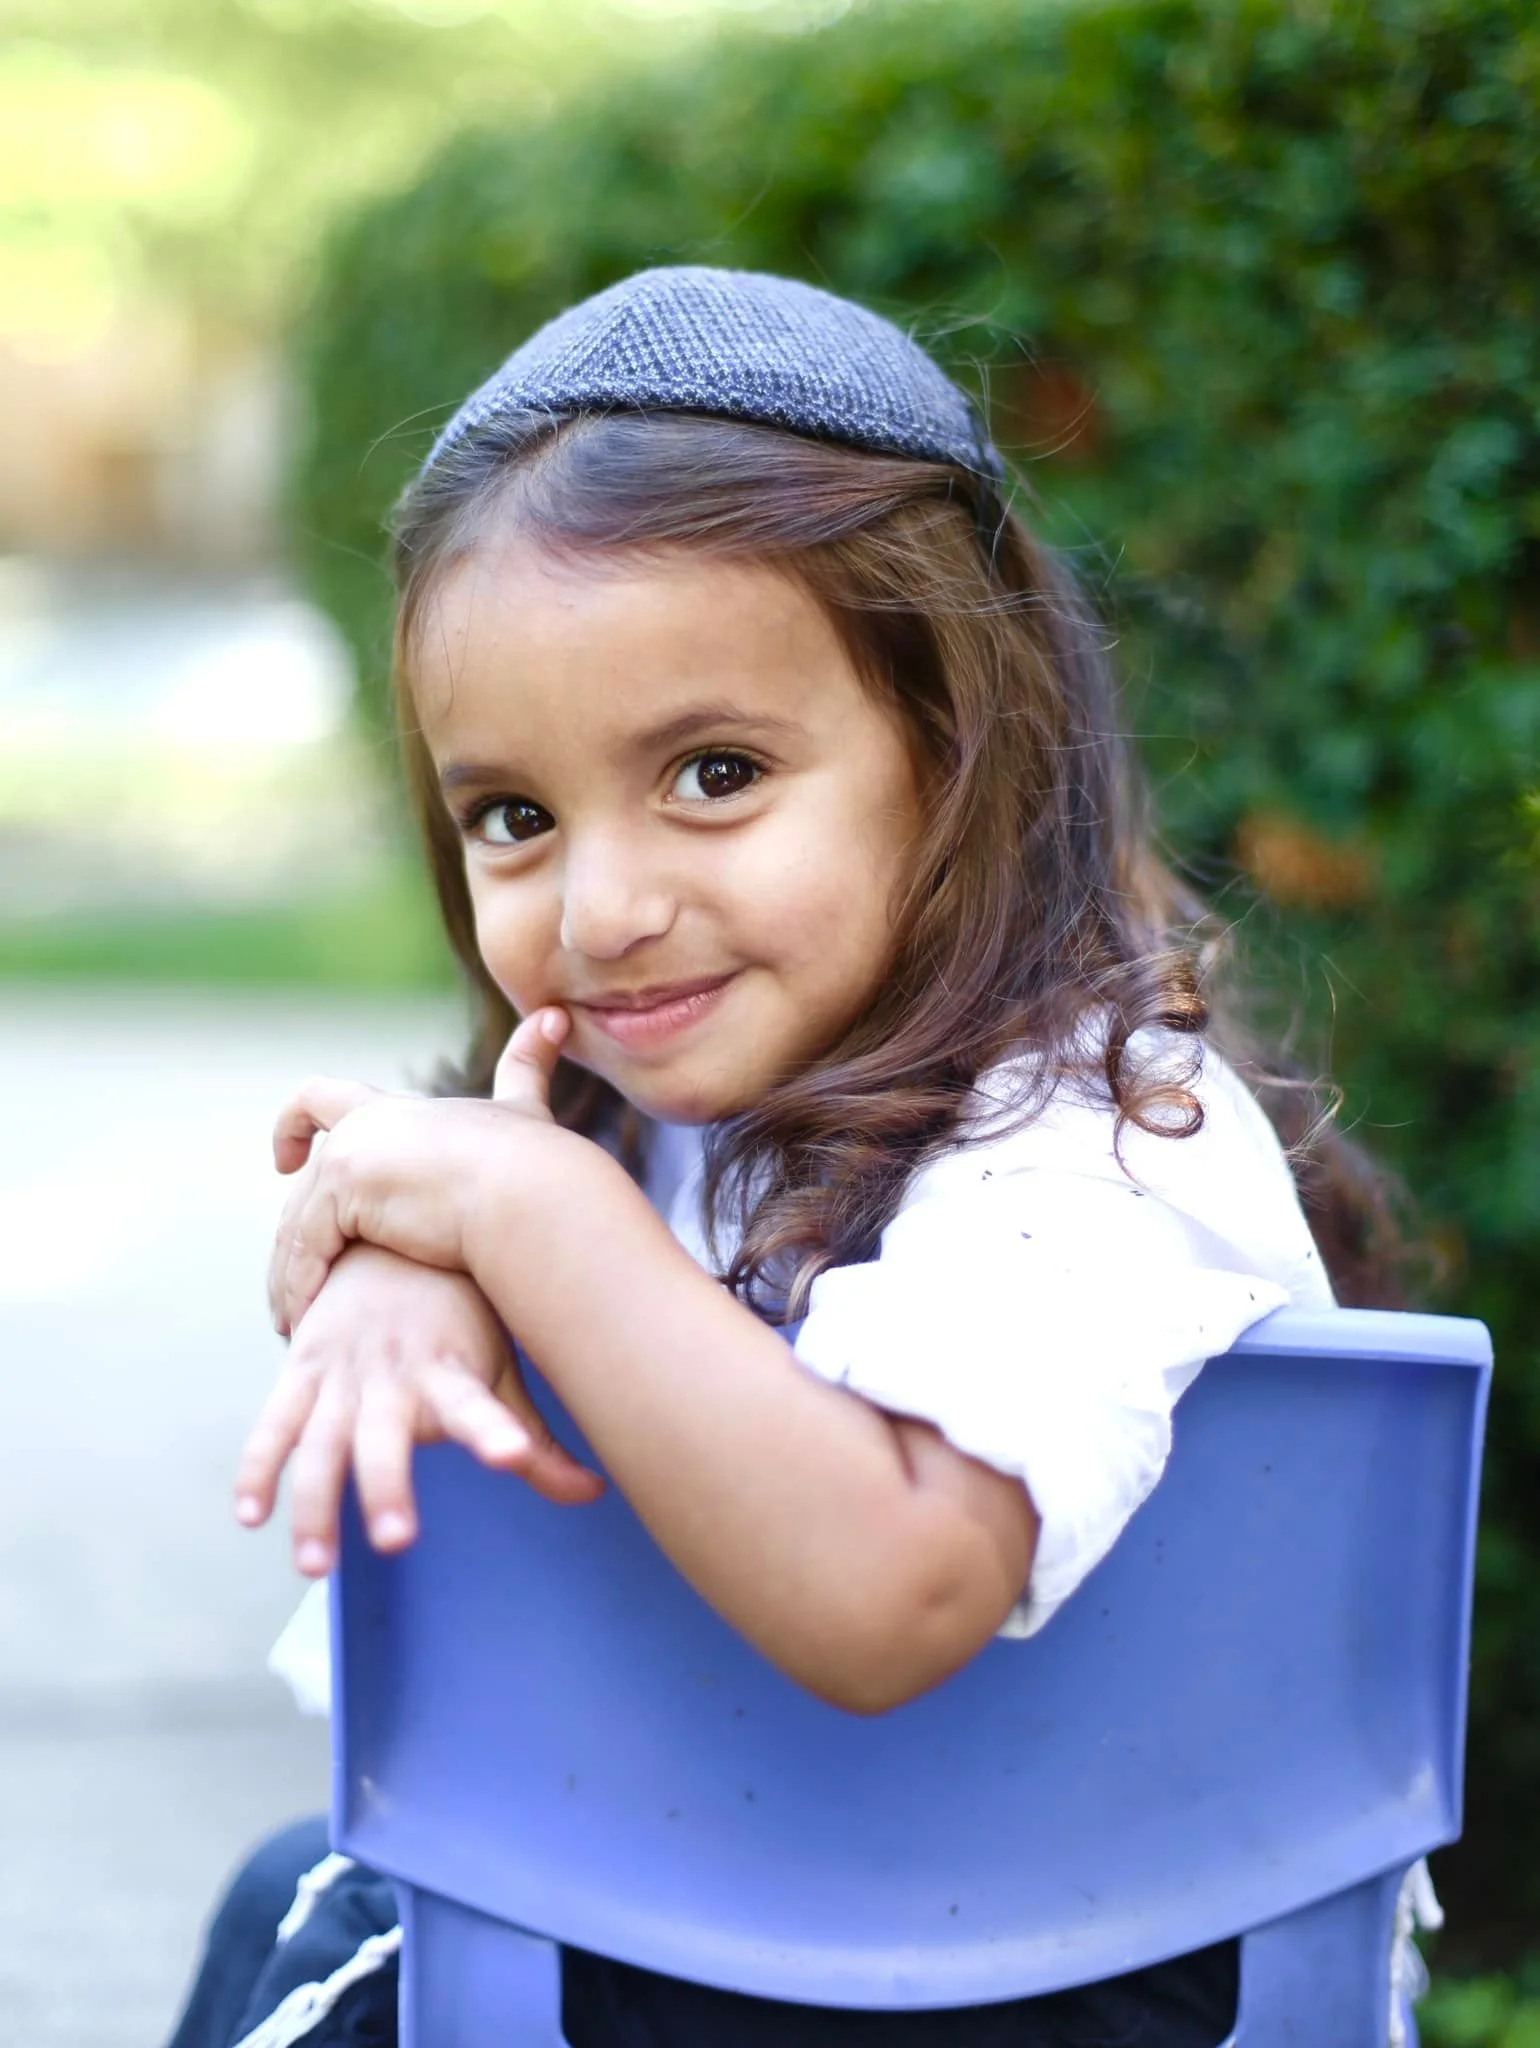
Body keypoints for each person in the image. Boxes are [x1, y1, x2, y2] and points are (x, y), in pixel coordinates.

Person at [166, 266, 1415, 2048]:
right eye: (513, 816)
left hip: (1065, 1966)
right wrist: (414, 1266)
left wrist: (533, 1221)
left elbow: (893, 1584)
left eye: (716, 772)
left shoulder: (1098, 1137)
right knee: (284, 1887)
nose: (602, 909)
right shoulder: (646, 1122)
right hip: (749, 1902)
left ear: (958, 750)